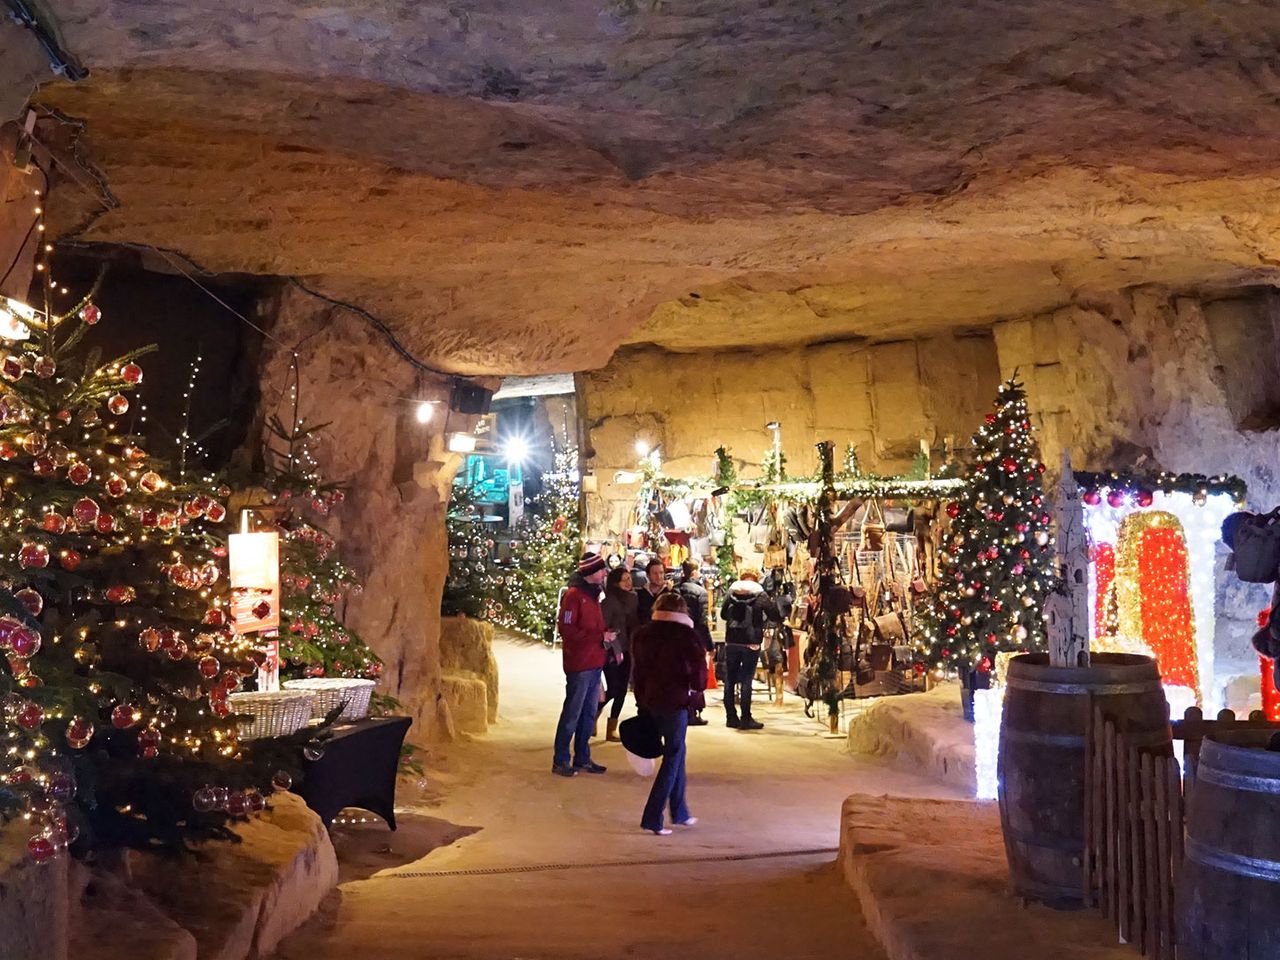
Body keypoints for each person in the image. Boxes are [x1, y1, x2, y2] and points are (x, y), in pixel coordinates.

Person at [631, 591, 707, 835]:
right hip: (676, 701)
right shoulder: (688, 636)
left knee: (678, 751)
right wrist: (695, 692)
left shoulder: (643, 634)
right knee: (673, 755)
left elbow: (638, 673)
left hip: (651, 700)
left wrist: (641, 700)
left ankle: (680, 810)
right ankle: (653, 817)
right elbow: (699, 674)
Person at [552, 552, 610, 777]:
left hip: (595, 661)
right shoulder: (574, 596)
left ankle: (582, 757)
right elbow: (567, 630)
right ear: (590, 572)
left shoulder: (594, 595)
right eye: (601, 569)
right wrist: (598, 637)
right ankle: (560, 759)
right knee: (573, 713)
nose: (605, 573)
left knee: (588, 713)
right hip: (580, 663)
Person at [719, 569, 782, 729]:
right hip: (751, 641)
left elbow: (723, 614)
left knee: (730, 679)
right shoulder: (760, 595)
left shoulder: (731, 592)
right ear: (755, 580)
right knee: (747, 679)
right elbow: (774, 614)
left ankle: (731, 717)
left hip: (732, 640)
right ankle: (746, 718)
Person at [599, 565, 638, 742]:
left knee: (621, 690)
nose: (629, 582)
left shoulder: (633, 599)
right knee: (614, 688)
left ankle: (611, 727)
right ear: (616, 583)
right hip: (613, 650)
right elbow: (603, 625)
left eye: (630, 579)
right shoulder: (609, 602)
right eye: (625, 580)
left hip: (628, 648)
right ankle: (594, 712)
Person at [675, 560, 714, 726]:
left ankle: (683, 709)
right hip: (694, 638)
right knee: (695, 675)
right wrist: (709, 644)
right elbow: (702, 620)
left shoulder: (675, 590)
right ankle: (694, 711)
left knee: (679, 675)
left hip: (676, 637)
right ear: (694, 572)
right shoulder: (700, 592)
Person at [635, 557, 668, 624]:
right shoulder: (640, 594)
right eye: (655, 573)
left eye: (661, 573)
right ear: (648, 575)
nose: (658, 576)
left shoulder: (670, 594)